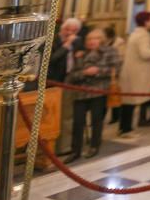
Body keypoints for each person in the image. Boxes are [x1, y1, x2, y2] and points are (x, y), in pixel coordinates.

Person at [66, 28, 119, 163]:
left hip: (98, 91)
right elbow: (72, 75)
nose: (91, 42)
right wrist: (84, 73)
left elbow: (115, 69)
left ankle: (94, 146)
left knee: (96, 120)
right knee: (78, 122)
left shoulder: (110, 52)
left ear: (101, 40)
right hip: (80, 93)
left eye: (94, 39)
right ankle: (75, 150)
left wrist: (98, 71)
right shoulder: (81, 54)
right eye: (89, 39)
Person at [117, 11, 150, 138]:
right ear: (146, 22)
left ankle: (124, 128)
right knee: (130, 103)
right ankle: (126, 130)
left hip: (132, 73)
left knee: (128, 103)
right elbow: (145, 53)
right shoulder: (143, 36)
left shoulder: (137, 33)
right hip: (136, 74)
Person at [49, 17, 84, 155]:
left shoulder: (78, 41)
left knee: (67, 115)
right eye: (68, 29)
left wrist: (80, 55)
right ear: (63, 28)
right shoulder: (52, 40)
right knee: (52, 116)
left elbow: (80, 56)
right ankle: (50, 146)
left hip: (70, 80)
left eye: (74, 31)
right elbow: (51, 60)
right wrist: (66, 46)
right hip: (53, 82)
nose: (70, 33)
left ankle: (63, 147)